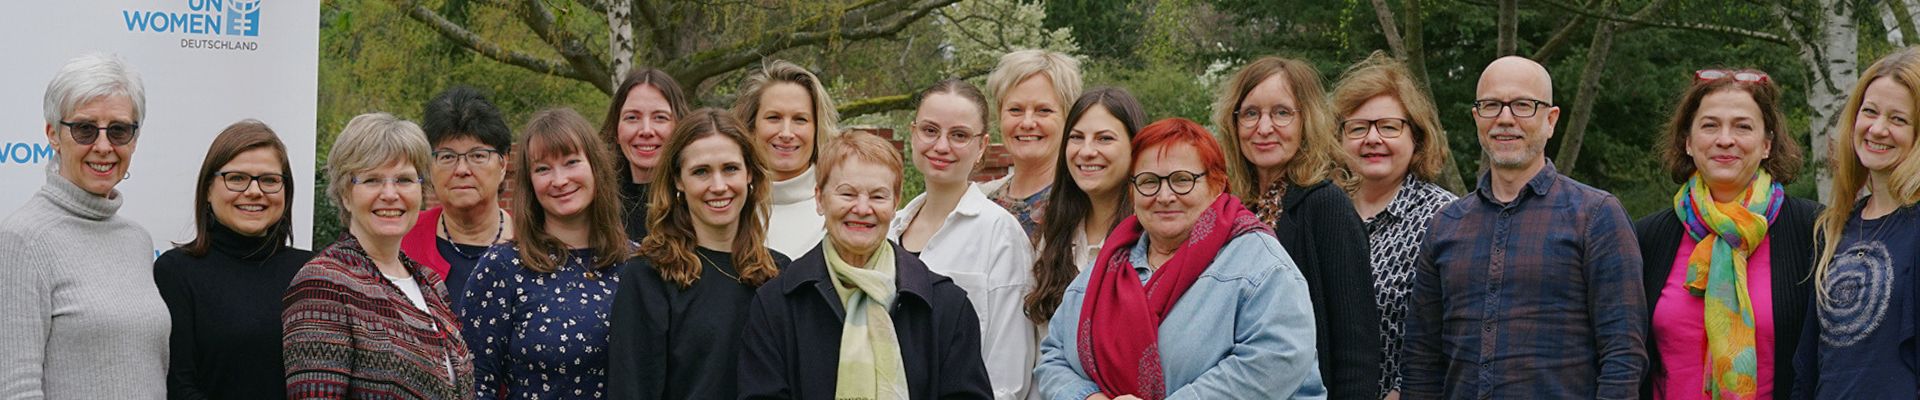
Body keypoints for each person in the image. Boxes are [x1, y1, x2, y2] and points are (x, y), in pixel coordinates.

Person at [1401, 56, 1647, 399]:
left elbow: (1623, 355)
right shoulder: (1446, 225)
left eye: (1522, 105)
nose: (1505, 119)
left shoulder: (1596, 217)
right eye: (1491, 106)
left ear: (1551, 120)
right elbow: (1421, 361)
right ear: (1476, 118)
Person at [1033, 117, 1324, 399]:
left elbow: (1276, 359)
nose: (1164, 195)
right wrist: (1087, 397)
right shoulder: (1109, 266)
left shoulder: (1260, 265)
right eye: (1149, 181)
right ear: (1132, 192)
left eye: (1182, 180)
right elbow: (1054, 356)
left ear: (1217, 184)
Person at [736, 132, 992, 399]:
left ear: (895, 203)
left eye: (878, 196)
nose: (861, 208)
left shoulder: (946, 305)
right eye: (847, 193)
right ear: (820, 198)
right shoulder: (776, 305)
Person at [1634, 68, 1821, 400]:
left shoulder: (1813, 230)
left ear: (1766, 145)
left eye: (1742, 126)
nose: (1725, 139)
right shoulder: (1647, 238)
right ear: (1688, 142)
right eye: (1710, 125)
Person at [0, 52, 169, 399]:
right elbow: (16, 389)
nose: (103, 146)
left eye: (119, 130)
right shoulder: (22, 239)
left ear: (134, 139)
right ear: (53, 134)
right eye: (85, 129)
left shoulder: (137, 240)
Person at [1215, 55, 1381, 399]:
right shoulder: (1227, 210)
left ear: (1306, 120)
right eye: (1250, 113)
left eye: (1281, 112)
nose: (1263, 128)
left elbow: (1356, 350)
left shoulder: (1325, 206)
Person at [284, 113, 474, 399]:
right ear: (346, 194)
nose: (390, 194)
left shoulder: (431, 284)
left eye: (404, 180)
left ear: (421, 191)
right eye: (372, 180)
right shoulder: (324, 284)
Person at [608, 108, 789, 400]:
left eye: (730, 168)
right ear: (679, 180)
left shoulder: (778, 273)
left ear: (750, 173)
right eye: (701, 171)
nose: (718, 186)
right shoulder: (649, 276)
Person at [460, 108, 632, 398]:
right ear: (529, 182)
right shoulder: (503, 268)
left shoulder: (634, 265)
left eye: (571, 162)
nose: (559, 179)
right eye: (543, 169)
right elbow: (475, 384)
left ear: (596, 167)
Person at [888, 79, 1038, 399]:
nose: (941, 146)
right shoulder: (888, 230)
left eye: (959, 135)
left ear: (982, 146)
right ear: (913, 133)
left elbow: (1008, 375)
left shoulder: (1000, 235)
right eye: (930, 130)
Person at [1328, 52, 1460, 398]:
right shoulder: (1323, 211)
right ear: (1338, 138)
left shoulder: (1445, 217)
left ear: (1415, 136)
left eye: (1388, 126)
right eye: (1358, 127)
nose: (1372, 139)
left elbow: (1460, 330)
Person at [1792, 46, 1920, 399]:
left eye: (1898, 119)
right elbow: (1811, 364)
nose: (1878, 129)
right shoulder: (1833, 229)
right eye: (1870, 112)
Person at [155, 120, 315, 400]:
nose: (254, 191)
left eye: (269, 180)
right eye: (237, 178)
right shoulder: (176, 272)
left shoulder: (310, 271)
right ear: (207, 189)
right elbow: (178, 386)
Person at [1027, 87, 1146, 328]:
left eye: (1105, 138)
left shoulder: (1152, 237)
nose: (1087, 151)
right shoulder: (1053, 234)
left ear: (1135, 147)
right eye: (1076, 137)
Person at [401, 86, 515, 313]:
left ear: (502, 164)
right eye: (447, 156)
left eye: (478, 155)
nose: (462, 169)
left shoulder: (536, 244)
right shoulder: (402, 238)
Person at [734, 60, 839, 258]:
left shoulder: (841, 210)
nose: (786, 133)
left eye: (800, 119)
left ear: (818, 129)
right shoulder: (723, 206)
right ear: (751, 126)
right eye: (773, 117)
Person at [982, 49, 1083, 235]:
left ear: (1068, 117)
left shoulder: (1084, 204)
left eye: (1043, 110)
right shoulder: (980, 200)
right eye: (1015, 110)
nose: (1027, 123)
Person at [600, 68, 690, 243]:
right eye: (632, 117)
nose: (646, 130)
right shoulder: (598, 205)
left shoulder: (699, 199)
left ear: (680, 126)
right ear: (616, 130)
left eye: (660, 118)